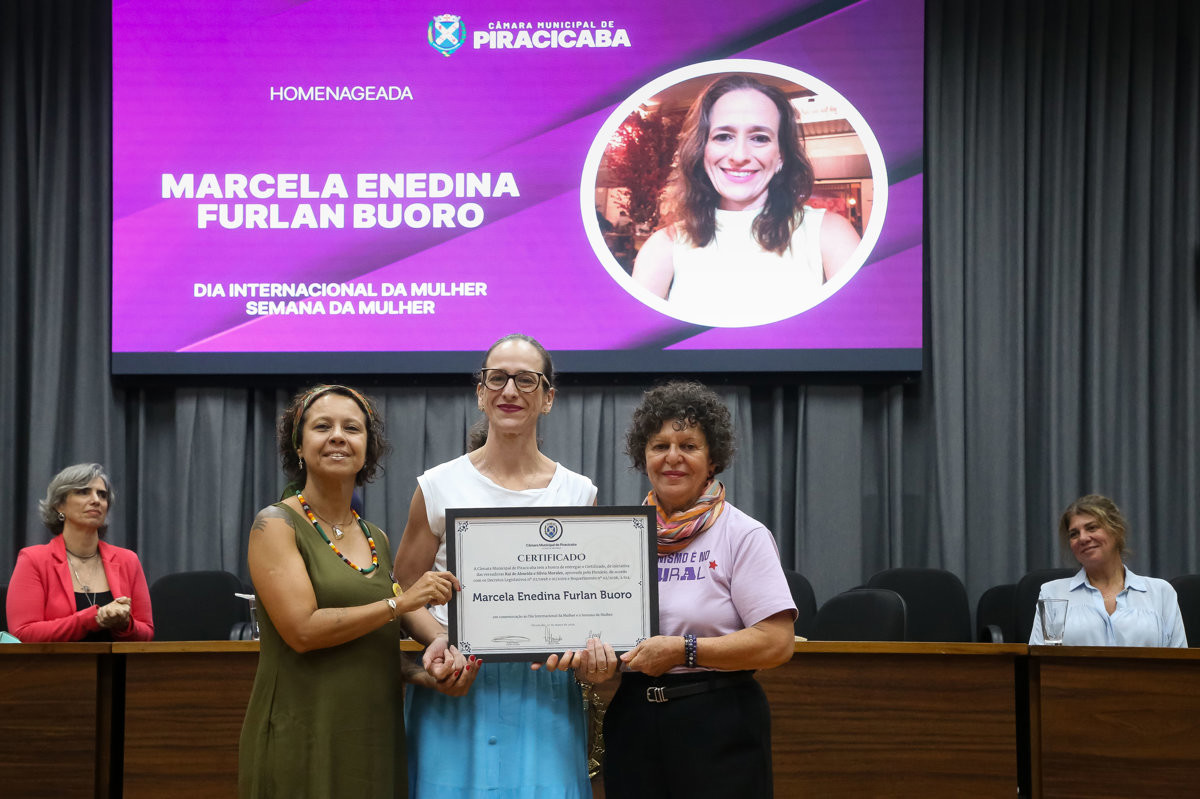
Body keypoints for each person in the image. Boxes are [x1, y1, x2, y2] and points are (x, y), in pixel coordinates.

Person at [393, 333, 608, 798]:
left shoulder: (579, 493)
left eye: (526, 380)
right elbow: (404, 589)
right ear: (480, 392)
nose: (510, 391)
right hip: (455, 686)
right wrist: (444, 640)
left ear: (548, 398)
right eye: (497, 378)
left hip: (543, 691)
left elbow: (589, 598)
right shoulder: (437, 486)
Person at [239, 385, 464, 799]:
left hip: (372, 735)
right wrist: (402, 602)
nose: (339, 436)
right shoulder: (274, 525)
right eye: (323, 426)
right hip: (304, 733)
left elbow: (372, 641)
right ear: (299, 446)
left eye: (352, 428)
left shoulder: (373, 536)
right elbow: (303, 631)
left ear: (367, 449)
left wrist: (424, 673)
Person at [600, 381, 796, 798]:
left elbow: (777, 643)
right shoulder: (618, 537)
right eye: (659, 445)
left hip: (719, 722)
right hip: (633, 720)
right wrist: (593, 660)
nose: (672, 457)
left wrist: (684, 650)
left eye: (688, 445)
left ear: (712, 461)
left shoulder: (743, 535)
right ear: (643, 457)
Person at [632, 74, 862, 324]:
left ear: (781, 157)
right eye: (723, 136)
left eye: (760, 138)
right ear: (702, 151)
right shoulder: (663, 245)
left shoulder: (831, 233)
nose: (739, 155)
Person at [6, 463, 153, 642]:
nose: (96, 500)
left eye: (102, 495)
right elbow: (23, 633)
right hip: (60, 668)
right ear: (59, 505)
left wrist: (125, 624)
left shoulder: (128, 560)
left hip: (119, 667)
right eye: (83, 492)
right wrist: (92, 619)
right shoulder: (33, 560)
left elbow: (146, 633)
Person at [1029, 494, 1187, 647]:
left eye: (1091, 528)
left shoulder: (1161, 593)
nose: (1083, 538)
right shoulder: (1052, 593)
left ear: (1116, 530)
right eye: (1074, 534)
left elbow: (1180, 666)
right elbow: (1038, 664)